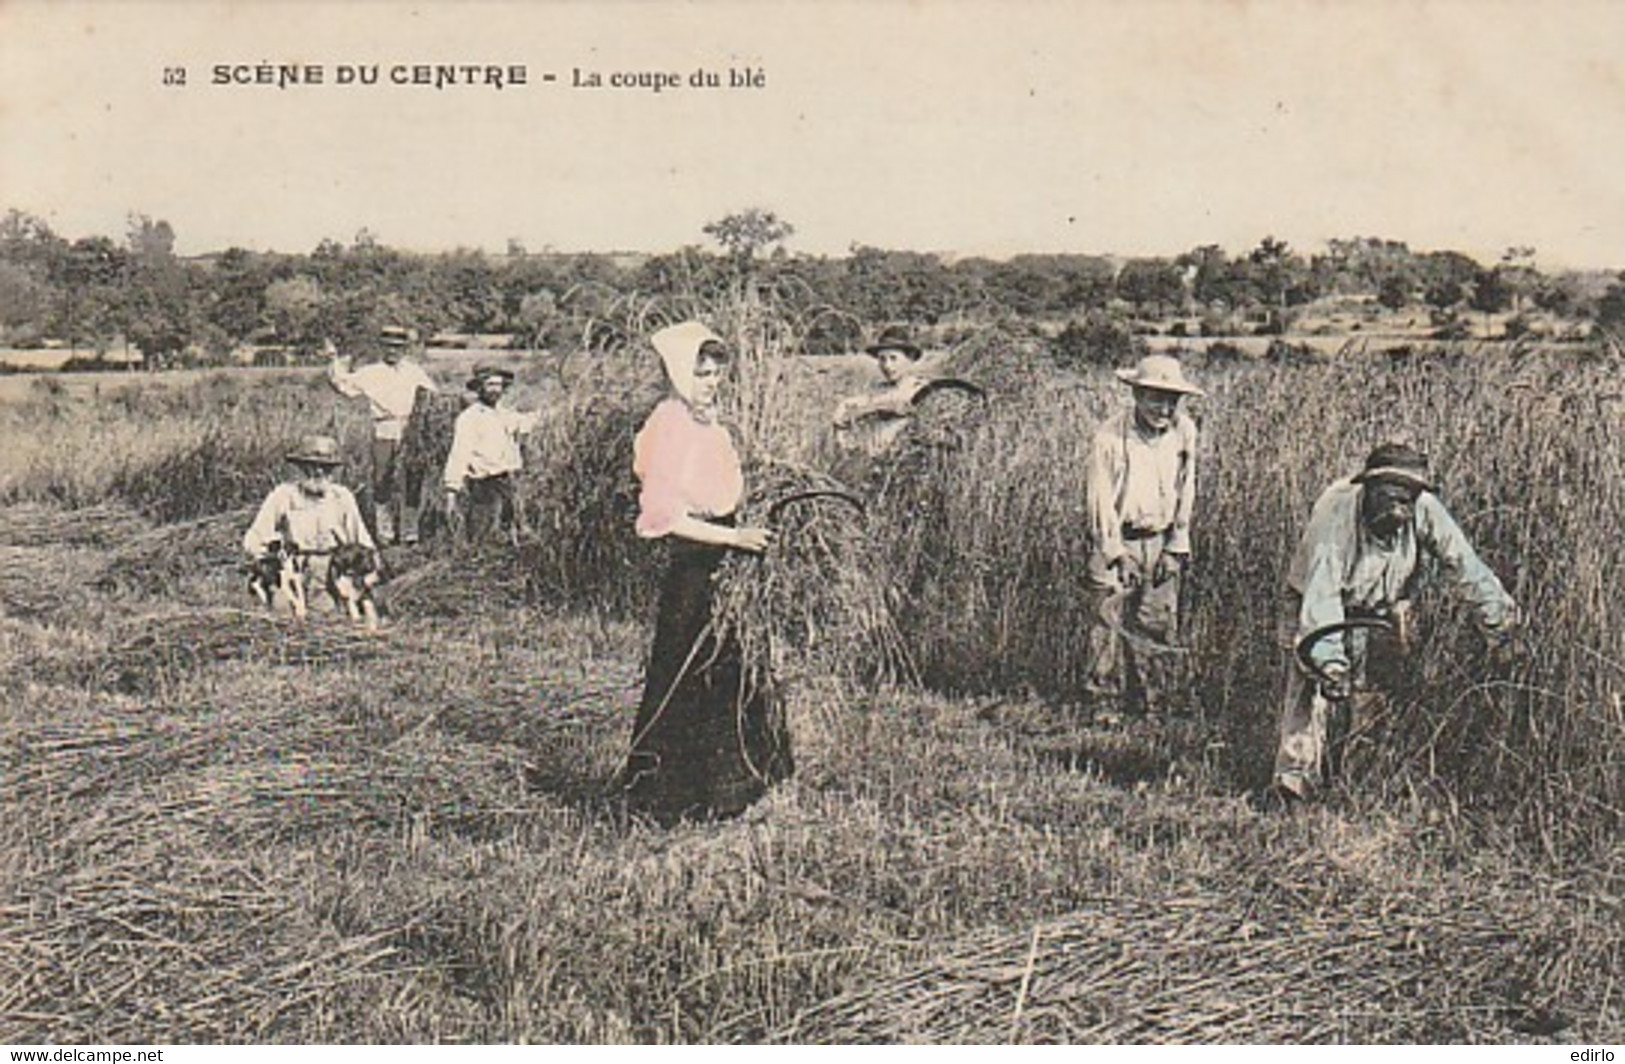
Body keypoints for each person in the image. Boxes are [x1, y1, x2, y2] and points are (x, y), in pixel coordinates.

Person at [1274, 441, 1519, 801]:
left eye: (1407, 498)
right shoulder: (1336, 517)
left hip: (1379, 607)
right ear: (1369, 489)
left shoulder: (1426, 509)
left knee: (1375, 693)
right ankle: (1294, 786)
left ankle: (1355, 783)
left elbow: (1466, 567)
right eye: (1390, 496)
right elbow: (1321, 599)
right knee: (1311, 695)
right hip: (1316, 603)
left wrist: (1503, 629)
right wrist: (1330, 664)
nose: (1399, 507)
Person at [620, 320, 792, 823]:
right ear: (676, 374)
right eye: (700, 374)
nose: (711, 382)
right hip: (695, 568)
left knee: (732, 672)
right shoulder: (669, 425)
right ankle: (673, 800)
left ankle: (733, 792)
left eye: (716, 373)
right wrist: (733, 538)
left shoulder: (706, 422)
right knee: (687, 675)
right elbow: (662, 517)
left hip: (726, 561)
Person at [1082, 353, 1203, 724]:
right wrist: (1116, 552)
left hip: (1162, 539)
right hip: (1117, 538)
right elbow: (1099, 498)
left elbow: (1187, 488)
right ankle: (1105, 705)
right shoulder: (1109, 435)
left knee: (1157, 621)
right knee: (1108, 623)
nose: (1164, 408)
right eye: (1155, 397)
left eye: (1171, 399)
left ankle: (1155, 704)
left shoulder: (1185, 432)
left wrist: (1176, 545)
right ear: (1136, 395)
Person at [242, 434, 379, 618]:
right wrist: (270, 562)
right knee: (282, 617)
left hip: (330, 574)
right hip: (290, 572)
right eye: (312, 467)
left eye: (326, 468)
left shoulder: (342, 498)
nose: (319, 473)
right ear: (300, 468)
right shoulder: (283, 496)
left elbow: (363, 543)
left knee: (328, 621)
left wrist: (361, 574)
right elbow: (254, 539)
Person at [327, 324, 439, 545]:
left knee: (413, 478)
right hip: (384, 428)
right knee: (382, 480)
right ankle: (385, 533)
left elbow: (433, 395)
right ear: (381, 348)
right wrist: (333, 358)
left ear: (405, 349)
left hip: (411, 430)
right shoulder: (371, 373)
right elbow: (342, 383)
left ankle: (410, 532)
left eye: (398, 347)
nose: (393, 352)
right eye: (388, 347)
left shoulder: (414, 371)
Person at [442, 365, 543, 543]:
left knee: (515, 529)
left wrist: (567, 410)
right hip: (484, 484)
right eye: (490, 384)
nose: (495, 389)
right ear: (480, 388)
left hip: (508, 480)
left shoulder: (506, 414)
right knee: (484, 537)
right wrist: (452, 488)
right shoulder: (469, 418)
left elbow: (529, 422)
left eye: (499, 385)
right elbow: (459, 453)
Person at [832, 326, 932, 454]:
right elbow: (862, 403)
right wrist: (844, 408)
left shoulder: (919, 387)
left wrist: (864, 407)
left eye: (893, 358)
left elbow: (900, 402)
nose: (887, 366)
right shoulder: (878, 389)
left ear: (910, 359)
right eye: (882, 359)